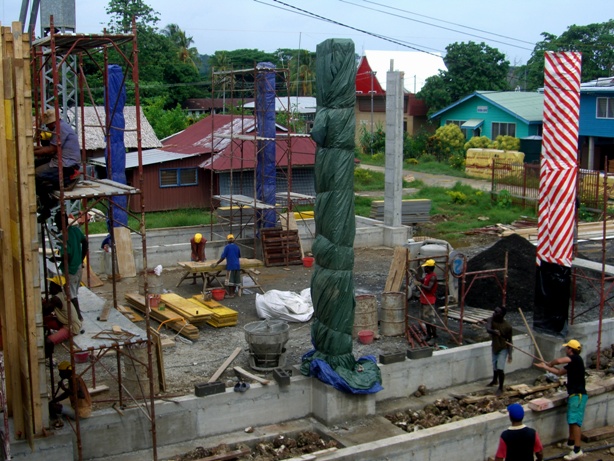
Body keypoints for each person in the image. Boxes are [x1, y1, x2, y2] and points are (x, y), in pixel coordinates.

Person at [535, 339, 587, 460]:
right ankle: (570, 443)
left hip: (578, 396)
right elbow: (559, 372)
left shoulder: (576, 359)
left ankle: (577, 449)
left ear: (571, 350)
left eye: (567, 348)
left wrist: (551, 363)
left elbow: (558, 361)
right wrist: (545, 366)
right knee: (571, 420)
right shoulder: (572, 364)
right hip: (573, 395)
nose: (565, 350)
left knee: (575, 422)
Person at [34, 109, 81, 221]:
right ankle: (47, 193)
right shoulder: (59, 127)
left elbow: (51, 150)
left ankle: (47, 206)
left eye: (48, 125)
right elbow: (50, 147)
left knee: (35, 174)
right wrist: (34, 149)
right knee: (35, 164)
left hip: (67, 166)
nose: (47, 127)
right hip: (61, 161)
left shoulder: (61, 129)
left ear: (52, 122)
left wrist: (30, 152)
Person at [54, 211, 88, 321]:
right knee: (73, 291)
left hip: (71, 269)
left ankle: (77, 317)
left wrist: (57, 259)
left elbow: (67, 255)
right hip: (77, 266)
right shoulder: (75, 230)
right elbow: (85, 242)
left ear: (59, 223)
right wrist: (81, 257)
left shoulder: (65, 235)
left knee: (71, 294)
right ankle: (76, 316)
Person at [42, 282, 82, 354]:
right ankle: (47, 333)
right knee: (45, 321)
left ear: (56, 288)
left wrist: (43, 302)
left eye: (51, 287)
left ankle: (48, 357)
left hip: (70, 327)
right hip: (65, 322)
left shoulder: (56, 299)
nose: (49, 288)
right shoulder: (61, 295)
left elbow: (45, 310)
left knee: (48, 341)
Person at [49, 361, 92, 426]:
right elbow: (67, 394)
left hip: (81, 412)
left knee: (52, 407)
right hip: (83, 410)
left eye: (61, 372)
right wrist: (54, 400)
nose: (60, 374)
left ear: (67, 371)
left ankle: (56, 422)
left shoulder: (74, 380)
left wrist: (64, 388)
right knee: (54, 404)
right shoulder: (74, 378)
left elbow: (81, 395)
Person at [486, 307, 513, 396]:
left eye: (496, 312)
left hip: (503, 348)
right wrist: (494, 332)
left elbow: (509, 340)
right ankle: (494, 380)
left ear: (501, 315)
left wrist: (510, 354)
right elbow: (488, 329)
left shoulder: (507, 326)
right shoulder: (491, 320)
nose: (494, 313)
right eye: (494, 311)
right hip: (495, 347)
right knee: (494, 365)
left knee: (500, 368)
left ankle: (500, 388)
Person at [414, 259, 438, 342]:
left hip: (429, 300)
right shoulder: (428, 275)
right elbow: (421, 279)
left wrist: (420, 285)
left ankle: (433, 336)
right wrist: (415, 274)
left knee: (430, 320)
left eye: (425, 267)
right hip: (424, 299)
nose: (424, 269)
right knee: (426, 319)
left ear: (429, 268)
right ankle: (429, 335)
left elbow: (429, 288)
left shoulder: (433, 277)